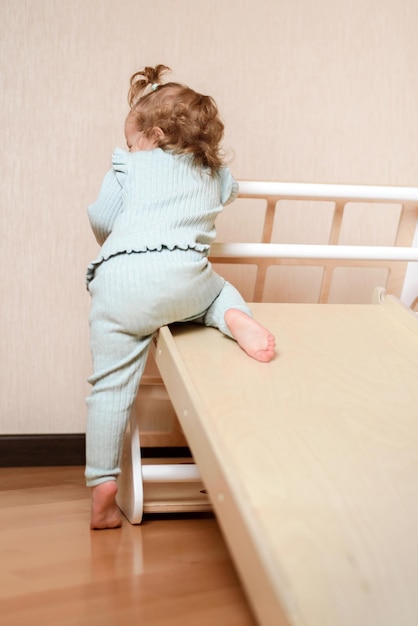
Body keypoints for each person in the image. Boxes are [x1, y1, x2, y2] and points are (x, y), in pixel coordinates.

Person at [85, 64, 276, 529]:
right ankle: (235, 319)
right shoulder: (214, 171)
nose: (130, 148)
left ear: (149, 135)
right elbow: (232, 190)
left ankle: (104, 489)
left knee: (109, 388)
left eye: (133, 141)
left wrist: (126, 230)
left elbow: (102, 220)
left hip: (119, 284)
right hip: (182, 278)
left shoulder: (128, 164)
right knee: (217, 293)